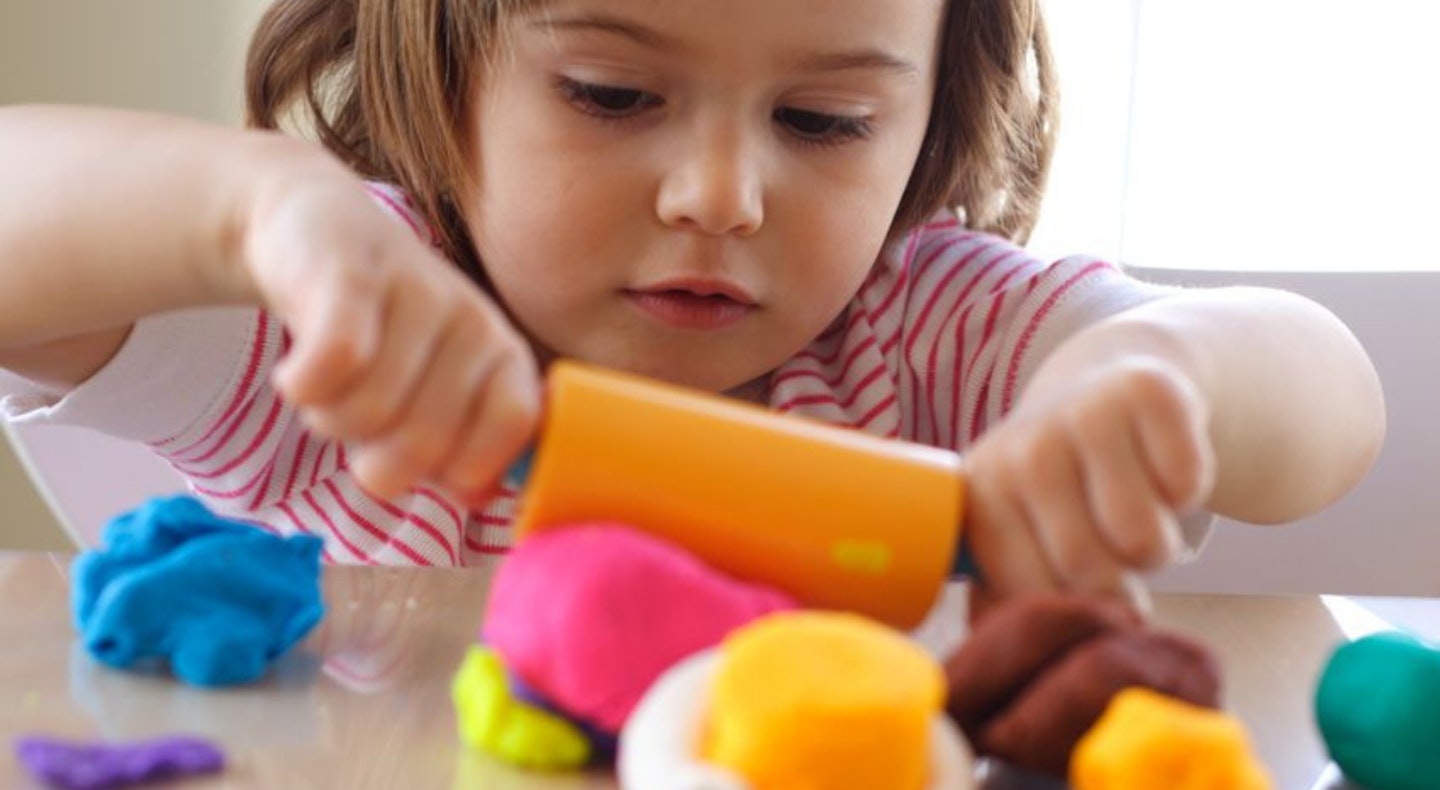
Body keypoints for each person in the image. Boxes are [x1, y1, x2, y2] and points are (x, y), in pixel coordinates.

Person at [0, 0, 1384, 605]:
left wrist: (1156, 379)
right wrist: (254, 212)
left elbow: (1334, 396)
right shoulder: (355, 329)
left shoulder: (930, 334)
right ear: (446, 71)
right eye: (613, 94)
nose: (722, 194)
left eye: (825, 118)